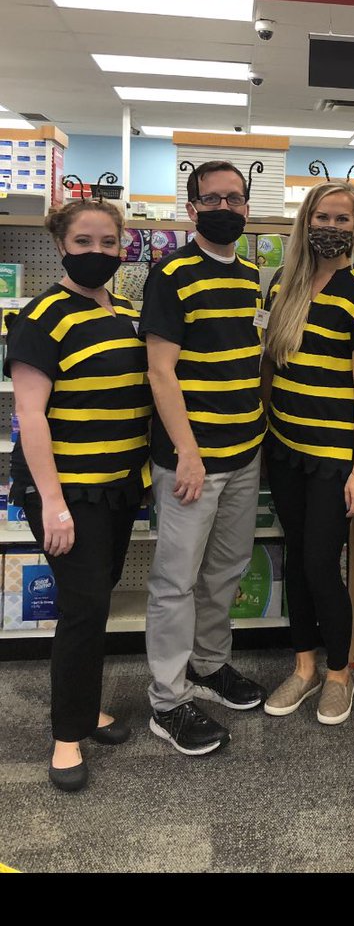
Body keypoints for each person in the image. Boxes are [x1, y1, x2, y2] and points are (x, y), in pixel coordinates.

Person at [4, 189, 152, 791]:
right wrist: (56, 503)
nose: (97, 252)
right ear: (61, 246)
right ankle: (67, 737)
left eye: (108, 243)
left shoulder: (123, 313)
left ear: (123, 248)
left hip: (117, 487)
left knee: (97, 601)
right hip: (68, 494)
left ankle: (87, 707)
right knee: (83, 609)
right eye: (83, 242)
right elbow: (30, 417)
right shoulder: (41, 318)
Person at [139, 159, 267, 757]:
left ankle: (211, 666)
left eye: (234, 199)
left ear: (246, 206)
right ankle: (167, 699)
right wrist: (187, 454)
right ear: (191, 209)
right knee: (175, 583)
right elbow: (160, 371)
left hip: (245, 452)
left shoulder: (251, 274)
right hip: (191, 460)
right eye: (211, 199)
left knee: (225, 572)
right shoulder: (170, 274)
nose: (224, 208)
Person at [261, 179, 354, 725]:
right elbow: (269, 366)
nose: (331, 227)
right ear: (305, 220)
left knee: (320, 562)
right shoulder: (281, 285)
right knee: (296, 560)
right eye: (323, 217)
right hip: (285, 446)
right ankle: (304, 665)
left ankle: (339, 674)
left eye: (343, 219)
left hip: (334, 455)